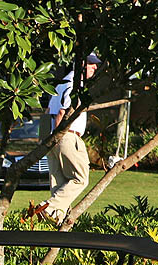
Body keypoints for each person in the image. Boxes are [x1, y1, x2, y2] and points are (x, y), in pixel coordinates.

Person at [33, 53, 101, 222]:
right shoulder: (74, 86)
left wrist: (46, 142)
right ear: (81, 65)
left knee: (60, 185)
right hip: (67, 135)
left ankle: (55, 221)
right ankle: (48, 208)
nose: (95, 67)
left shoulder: (60, 85)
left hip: (52, 139)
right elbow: (62, 112)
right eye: (91, 63)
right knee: (80, 179)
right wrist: (58, 137)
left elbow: (47, 112)